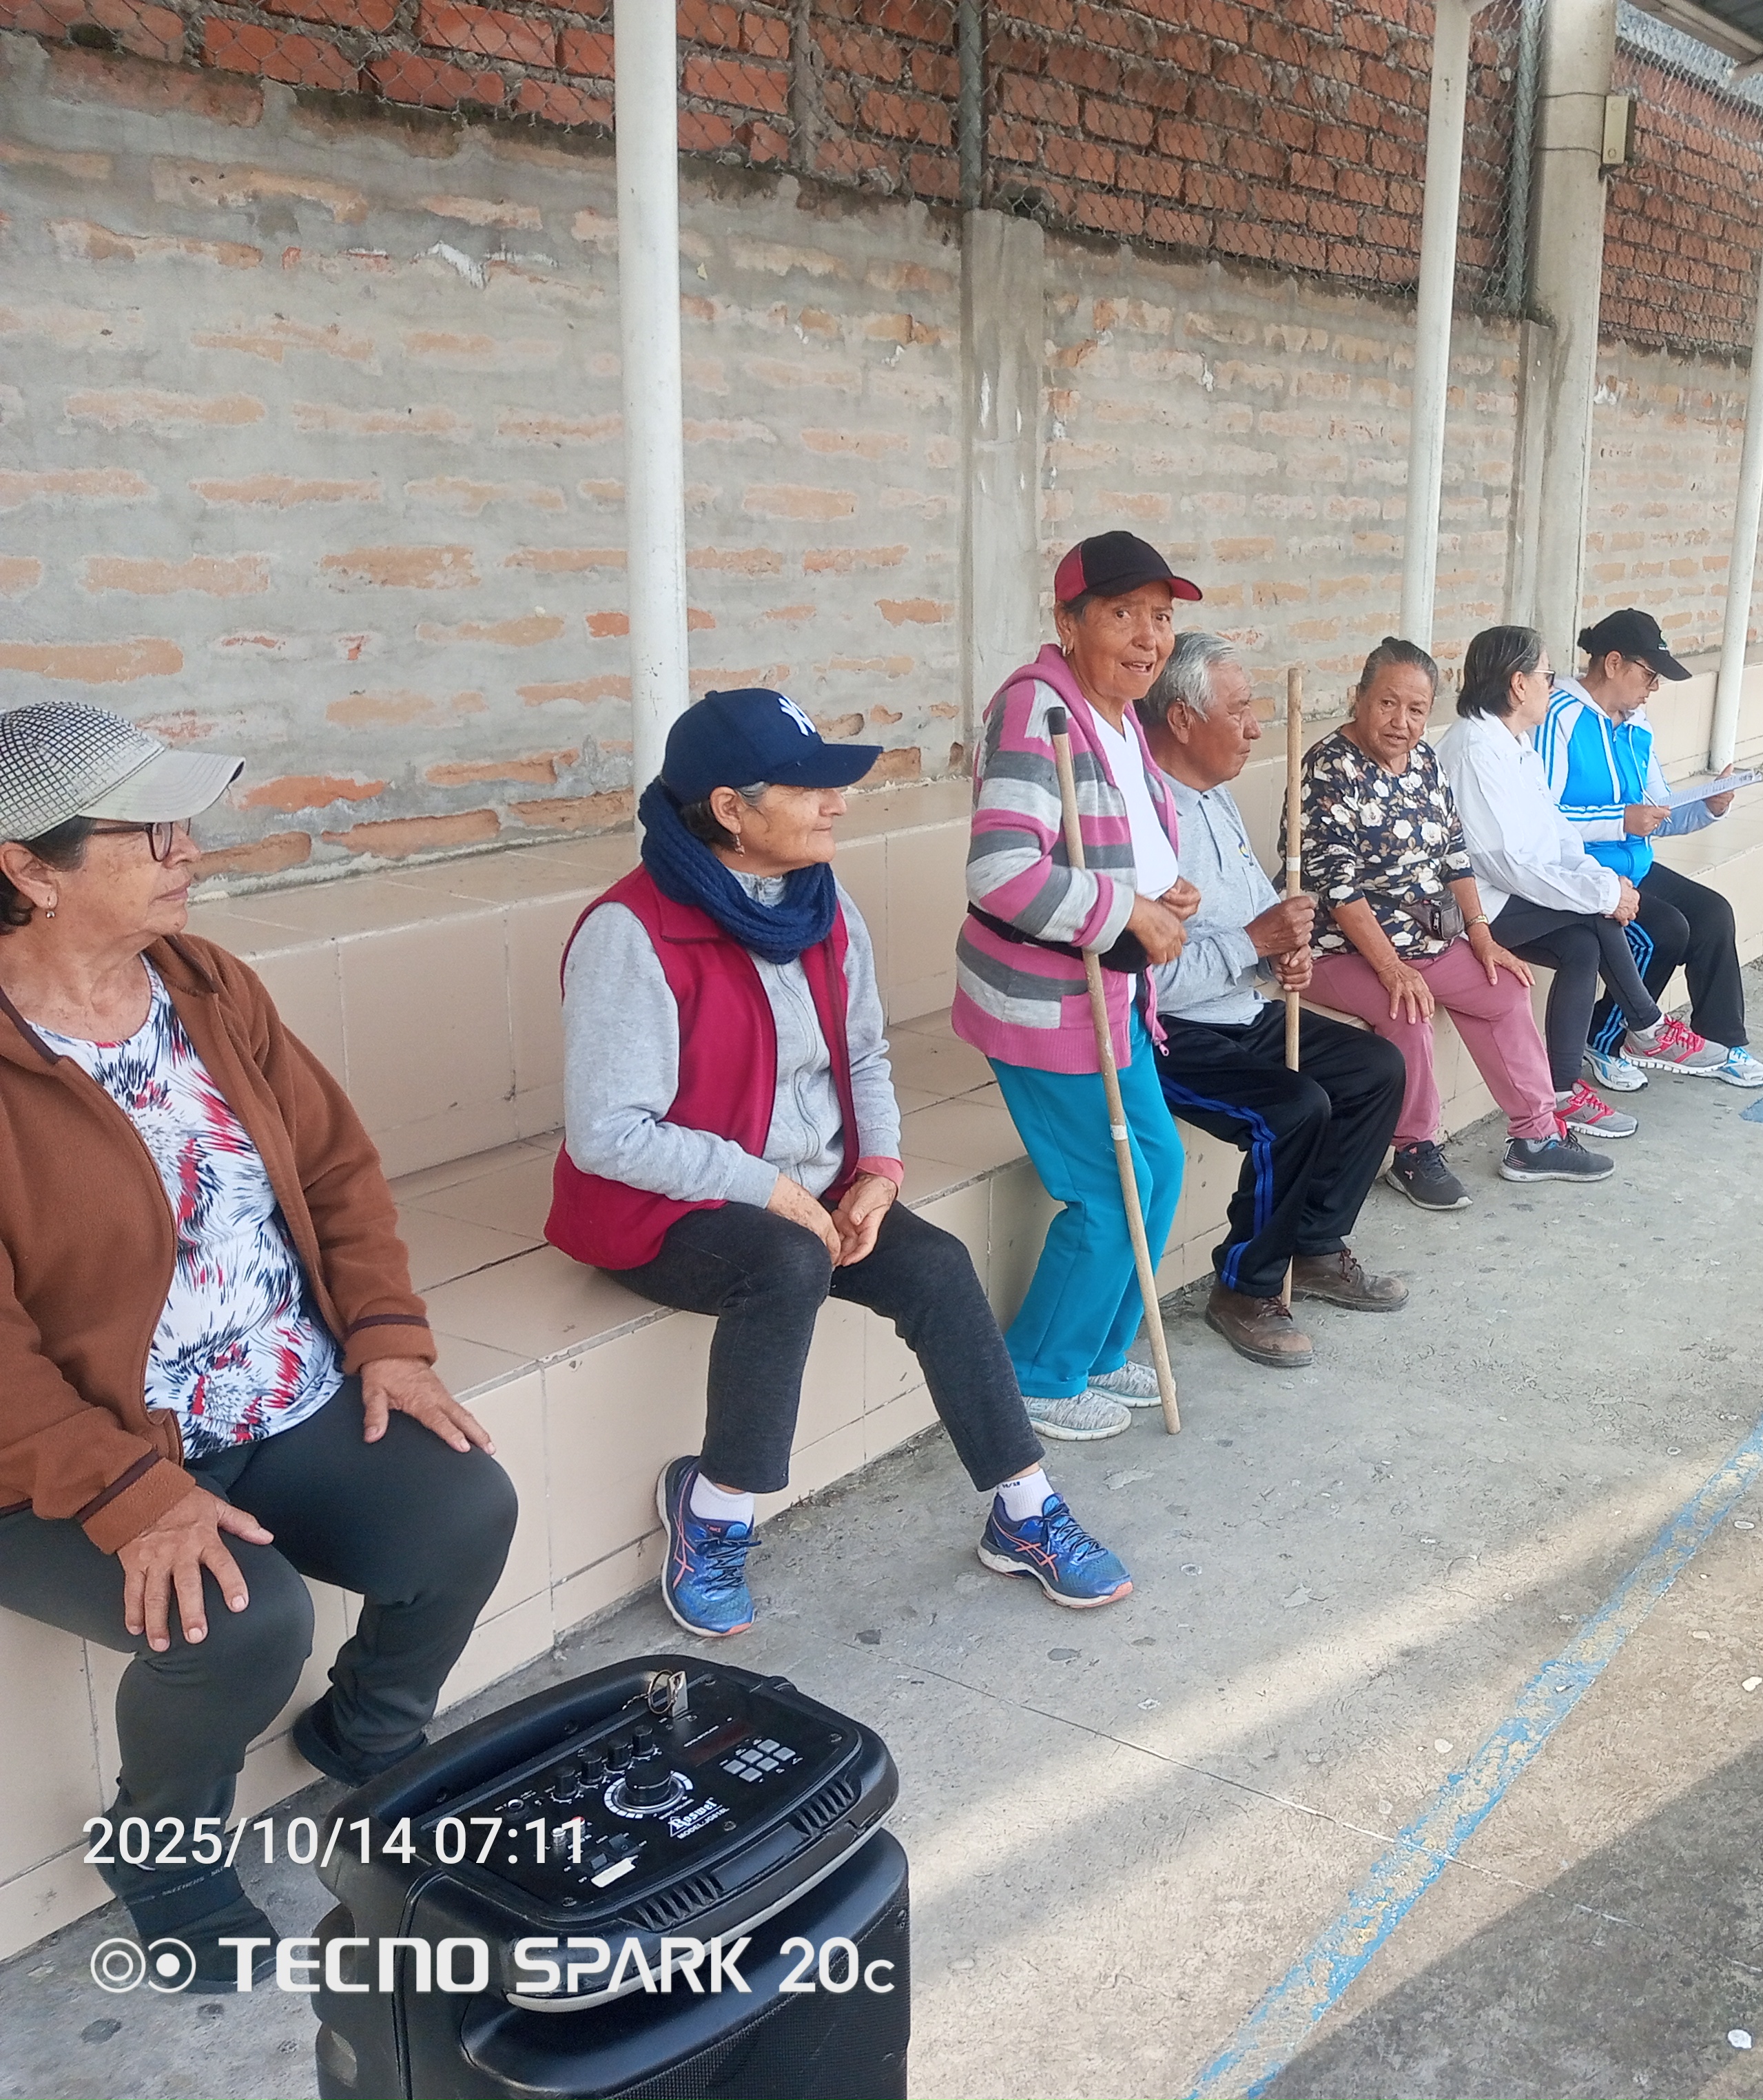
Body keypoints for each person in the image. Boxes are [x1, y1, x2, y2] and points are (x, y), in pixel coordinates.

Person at [0, 702, 517, 1988]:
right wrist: (132, 1494)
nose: (189, 848)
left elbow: (336, 1169)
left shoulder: (205, 983)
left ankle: (366, 1740)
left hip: (271, 1392)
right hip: (64, 1452)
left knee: (464, 1506)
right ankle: (163, 1850)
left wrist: (388, 1337)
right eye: (150, 830)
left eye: (187, 822)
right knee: (235, 1622)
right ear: (27, 867)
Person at [552, 688, 1133, 1633]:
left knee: (937, 1266)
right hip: (664, 1207)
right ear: (731, 810)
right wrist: (772, 1190)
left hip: (810, 1188)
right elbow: (608, 1134)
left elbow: (862, 1056)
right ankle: (714, 1510)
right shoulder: (632, 932)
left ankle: (1024, 1511)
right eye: (808, 788)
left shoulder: (822, 905)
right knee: (787, 1264)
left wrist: (880, 1169)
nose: (839, 804)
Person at [954, 531, 1197, 1432]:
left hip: (1111, 993)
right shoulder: (1037, 712)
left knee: (1158, 1165)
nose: (1147, 637)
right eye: (1122, 614)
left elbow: (1109, 843)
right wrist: (1128, 910)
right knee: (1107, 1187)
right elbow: (1001, 873)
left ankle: (1096, 1351)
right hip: (1044, 1003)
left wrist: (1160, 892)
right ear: (1068, 621)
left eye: (1160, 617)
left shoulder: (1119, 715)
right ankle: (1040, 1375)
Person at [1141, 634, 1410, 1368]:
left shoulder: (1215, 796)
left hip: (1238, 1009)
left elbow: (1255, 910)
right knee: (1292, 1109)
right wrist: (1253, 943)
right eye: (1238, 711)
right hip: (1166, 1031)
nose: (1256, 728)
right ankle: (1244, 1286)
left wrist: (1283, 945)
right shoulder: (1143, 818)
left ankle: (1316, 1246)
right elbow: (1146, 981)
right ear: (1182, 719)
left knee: (1375, 1069)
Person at [1299, 635, 1615, 1208]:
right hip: (1337, 948)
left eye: (1416, 709)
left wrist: (1481, 935)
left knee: (1505, 986)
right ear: (1358, 698)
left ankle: (1536, 1138)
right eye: (1387, 703)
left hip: (1426, 938)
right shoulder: (1329, 766)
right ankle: (1413, 1152)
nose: (1401, 722)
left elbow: (1454, 854)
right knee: (1407, 1007)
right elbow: (1338, 888)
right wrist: (1391, 968)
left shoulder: (1424, 761)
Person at [1436, 624, 1704, 1141]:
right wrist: (1605, 894)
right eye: (1547, 674)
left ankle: (1561, 1091)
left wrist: (1600, 879)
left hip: (1512, 894)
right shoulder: (1473, 748)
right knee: (1594, 917)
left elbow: (1557, 834)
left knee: (1583, 944)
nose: (1552, 685)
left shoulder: (1513, 742)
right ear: (1518, 684)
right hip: (1475, 905)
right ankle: (1647, 1027)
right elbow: (1504, 864)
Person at [1539, 607, 1763, 1091]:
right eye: (1649, 675)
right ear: (1613, 664)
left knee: (1713, 914)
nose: (1654, 688)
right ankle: (1604, 1040)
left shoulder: (1637, 725)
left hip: (1635, 864)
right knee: (1665, 929)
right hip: (1582, 871)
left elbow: (1658, 810)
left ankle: (1720, 1042)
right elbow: (1541, 818)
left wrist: (1708, 806)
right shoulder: (1557, 716)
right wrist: (1619, 820)